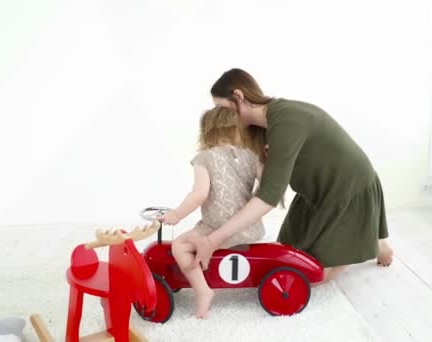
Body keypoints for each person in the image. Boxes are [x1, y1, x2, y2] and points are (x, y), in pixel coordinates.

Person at [184, 68, 394, 284]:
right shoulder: (261, 127)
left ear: (239, 96)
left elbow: (269, 196)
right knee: (287, 259)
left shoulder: (287, 120)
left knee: (314, 277)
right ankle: (366, 238)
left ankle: (368, 239)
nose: (218, 115)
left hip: (347, 189)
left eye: (221, 108)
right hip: (314, 195)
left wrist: (213, 240)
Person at [160, 106, 265, 319]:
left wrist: (176, 215)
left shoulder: (205, 158)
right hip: (251, 227)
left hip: (217, 228)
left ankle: (203, 291)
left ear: (207, 131)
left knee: (180, 245)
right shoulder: (251, 155)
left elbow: (199, 194)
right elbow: (266, 185)